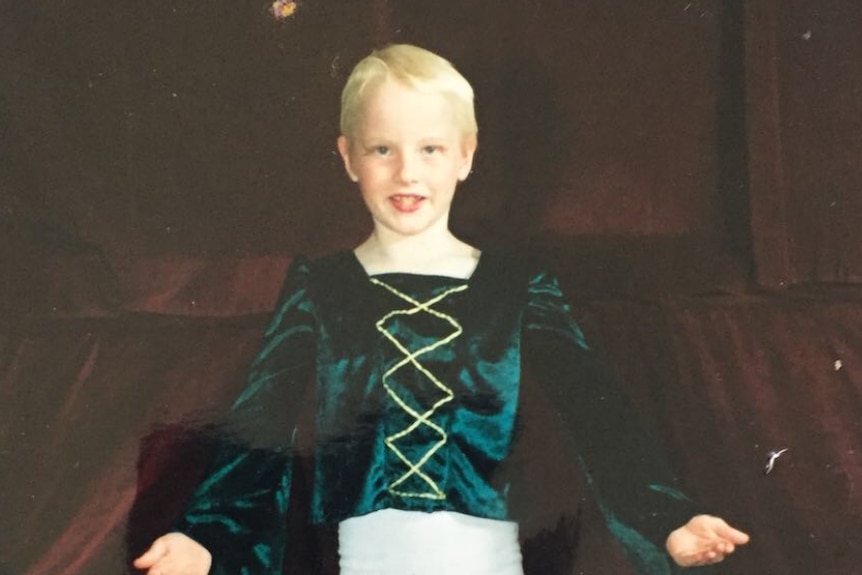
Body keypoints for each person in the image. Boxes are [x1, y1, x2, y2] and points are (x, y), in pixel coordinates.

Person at [133, 43, 750, 575]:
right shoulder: (319, 286)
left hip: (484, 556)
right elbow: (257, 422)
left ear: (466, 154)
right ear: (348, 156)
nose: (407, 171)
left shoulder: (518, 285)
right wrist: (203, 535)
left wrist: (669, 517)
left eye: (430, 148)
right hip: (359, 558)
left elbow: (600, 413)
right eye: (382, 149)